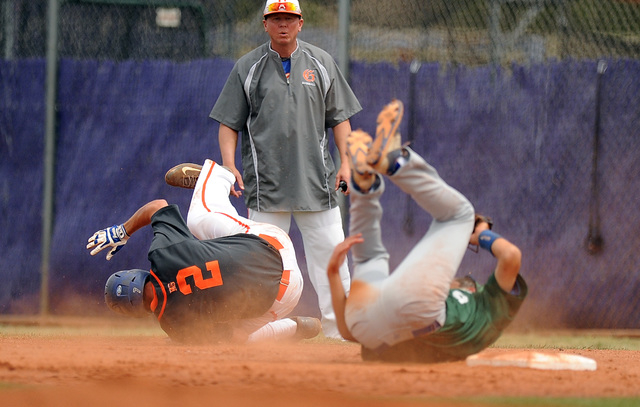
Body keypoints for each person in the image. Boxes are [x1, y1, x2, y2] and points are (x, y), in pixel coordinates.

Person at [327, 99, 527, 362]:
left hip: (416, 313)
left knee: (461, 215)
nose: (452, 279)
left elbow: (511, 256)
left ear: (470, 290)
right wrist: (333, 272)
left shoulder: (485, 306)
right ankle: (365, 189)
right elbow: (349, 330)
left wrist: (479, 234)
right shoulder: (477, 330)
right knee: (368, 258)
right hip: (368, 324)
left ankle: (395, 161)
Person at [208, 0, 362, 339]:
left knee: (332, 262)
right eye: (275, 18)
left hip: (316, 184)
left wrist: (347, 164)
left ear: (300, 23)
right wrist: (230, 165)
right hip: (266, 186)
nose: (283, 24)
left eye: (289, 18)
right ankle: (255, 330)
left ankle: (342, 334)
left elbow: (341, 120)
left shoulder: (322, 63)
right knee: (261, 267)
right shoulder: (247, 67)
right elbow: (228, 122)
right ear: (265, 24)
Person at [86, 159, 321, 344]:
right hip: (275, 246)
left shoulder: (175, 326)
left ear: (136, 313)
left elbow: (223, 337)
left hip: (287, 296)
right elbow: (158, 206)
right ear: (136, 274)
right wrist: (122, 232)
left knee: (239, 338)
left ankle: (296, 328)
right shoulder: (163, 253)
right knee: (197, 221)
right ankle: (219, 178)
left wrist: (180, 341)